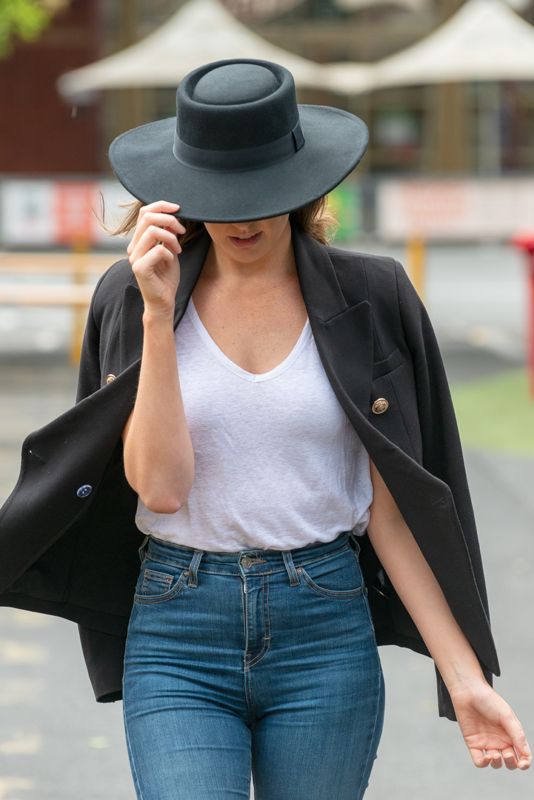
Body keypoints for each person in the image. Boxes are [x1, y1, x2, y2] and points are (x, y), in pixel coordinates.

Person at [0, 57, 530, 799]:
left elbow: (395, 511)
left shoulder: (374, 297)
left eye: (264, 194)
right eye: (220, 195)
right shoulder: (132, 294)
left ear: (305, 183)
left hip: (324, 629)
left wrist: (464, 676)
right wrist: (157, 316)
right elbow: (159, 485)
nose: (243, 216)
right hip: (178, 627)